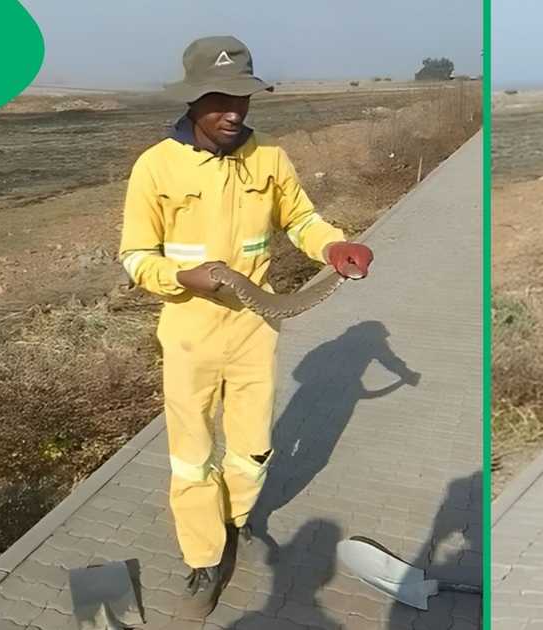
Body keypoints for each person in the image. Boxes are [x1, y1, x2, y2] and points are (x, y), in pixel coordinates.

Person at [117, 35, 373, 617]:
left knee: (254, 448)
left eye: (244, 98)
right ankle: (204, 559)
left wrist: (334, 245)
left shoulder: (270, 158)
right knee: (193, 453)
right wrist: (183, 279)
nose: (234, 111)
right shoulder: (155, 166)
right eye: (219, 99)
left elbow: (302, 218)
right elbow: (135, 256)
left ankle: (234, 520)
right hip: (189, 332)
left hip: (256, 331)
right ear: (192, 101)